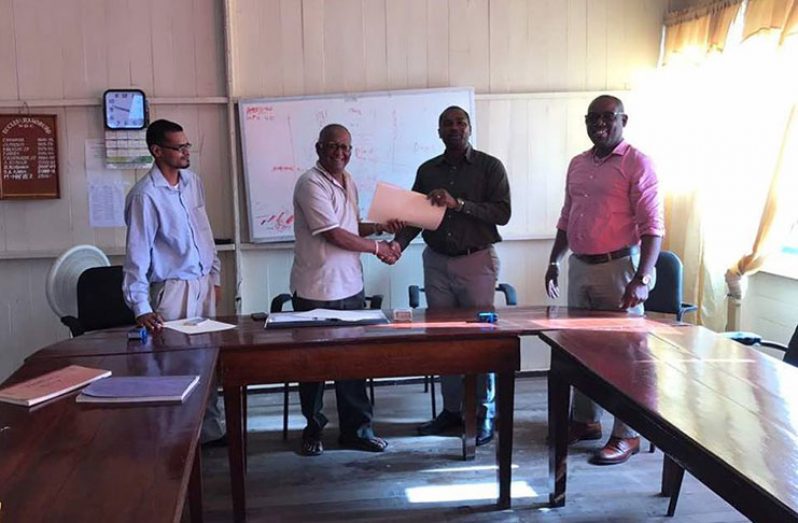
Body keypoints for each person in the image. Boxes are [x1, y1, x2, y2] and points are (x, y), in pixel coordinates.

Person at [545, 94, 664, 465]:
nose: (600, 123)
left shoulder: (638, 163)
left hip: (620, 269)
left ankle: (626, 435)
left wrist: (642, 276)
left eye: (608, 117)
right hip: (579, 264)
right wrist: (553, 260)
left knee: (624, 356)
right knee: (580, 350)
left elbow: (653, 226)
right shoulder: (578, 164)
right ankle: (585, 421)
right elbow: (568, 217)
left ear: (623, 120)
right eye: (593, 117)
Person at [391, 106, 511, 446]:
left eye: (460, 122)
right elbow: (415, 216)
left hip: (476, 261)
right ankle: (452, 411)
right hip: (437, 262)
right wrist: (397, 245)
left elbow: (503, 213)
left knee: (479, 340)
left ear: (470, 128)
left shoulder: (490, 167)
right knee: (443, 340)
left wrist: (459, 203)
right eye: (448, 123)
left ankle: (483, 413)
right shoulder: (428, 170)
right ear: (439, 131)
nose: (454, 128)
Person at [291, 123, 401, 456]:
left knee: (354, 363)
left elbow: (350, 225)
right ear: (318, 148)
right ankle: (313, 429)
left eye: (346, 148)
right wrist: (379, 248)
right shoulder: (309, 183)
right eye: (333, 146)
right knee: (312, 366)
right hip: (315, 290)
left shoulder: (348, 180)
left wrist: (380, 227)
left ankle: (357, 430)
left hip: (351, 287)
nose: (341, 153)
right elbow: (333, 234)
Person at [122, 118, 225, 445]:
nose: (185, 152)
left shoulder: (192, 182)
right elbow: (136, 254)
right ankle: (178, 438)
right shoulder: (145, 195)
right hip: (173, 289)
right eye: (178, 147)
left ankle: (210, 434)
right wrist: (141, 306)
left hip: (202, 284)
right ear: (157, 151)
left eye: (186, 145)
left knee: (210, 361)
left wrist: (215, 274)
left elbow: (204, 231)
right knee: (175, 367)